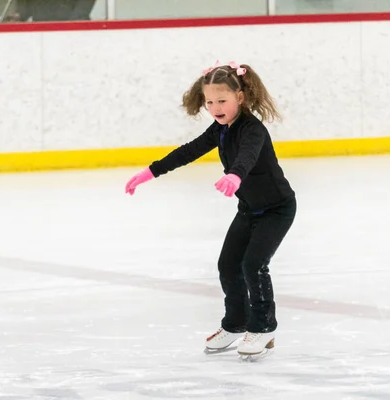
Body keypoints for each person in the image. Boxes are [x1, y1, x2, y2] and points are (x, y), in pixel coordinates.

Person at [124, 61, 297, 356]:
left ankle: (263, 329)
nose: (215, 107)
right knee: (228, 266)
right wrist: (149, 172)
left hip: (276, 209)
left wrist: (235, 175)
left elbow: (248, 155)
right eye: (209, 102)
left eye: (222, 100)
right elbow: (188, 151)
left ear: (239, 98)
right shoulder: (219, 130)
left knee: (253, 265)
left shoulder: (252, 130)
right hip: (248, 209)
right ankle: (236, 324)